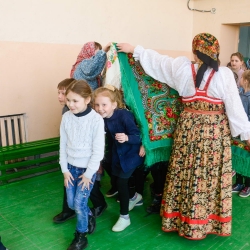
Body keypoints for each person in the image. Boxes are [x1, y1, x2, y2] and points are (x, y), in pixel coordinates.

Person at [117, 33, 250, 240]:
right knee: (208, 176)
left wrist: (134, 49)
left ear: (194, 51)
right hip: (213, 135)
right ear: (217, 52)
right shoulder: (223, 75)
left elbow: (158, 63)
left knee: (185, 173)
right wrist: (247, 135)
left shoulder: (181, 69)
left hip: (187, 130)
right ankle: (207, 222)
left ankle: (182, 219)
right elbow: (235, 110)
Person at [60, 80, 105, 250]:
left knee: (79, 203)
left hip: (87, 171)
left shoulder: (96, 120)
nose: (70, 104)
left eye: (75, 101)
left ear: (87, 100)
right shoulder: (66, 117)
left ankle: (81, 235)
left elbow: (98, 151)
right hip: (70, 169)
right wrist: (65, 170)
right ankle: (89, 216)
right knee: (72, 204)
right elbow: (62, 146)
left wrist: (89, 174)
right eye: (68, 100)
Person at [93, 85, 144, 232]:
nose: (100, 108)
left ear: (114, 104)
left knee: (121, 182)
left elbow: (138, 135)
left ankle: (124, 217)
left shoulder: (124, 115)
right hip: (117, 155)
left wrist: (127, 137)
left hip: (131, 154)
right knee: (116, 179)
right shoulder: (100, 118)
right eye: (97, 105)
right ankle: (134, 197)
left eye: (104, 105)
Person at [53, 78, 76, 224]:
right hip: (69, 154)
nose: (59, 96)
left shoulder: (74, 110)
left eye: (63, 93)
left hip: (79, 155)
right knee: (69, 182)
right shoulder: (65, 110)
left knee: (87, 185)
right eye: (59, 93)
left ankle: (99, 205)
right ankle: (68, 210)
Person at [232, 70, 250, 197]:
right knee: (238, 157)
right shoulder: (240, 94)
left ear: (246, 80)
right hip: (238, 133)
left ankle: (248, 184)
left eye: (241, 78)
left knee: (247, 159)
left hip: (247, 133)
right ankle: (239, 182)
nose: (240, 80)